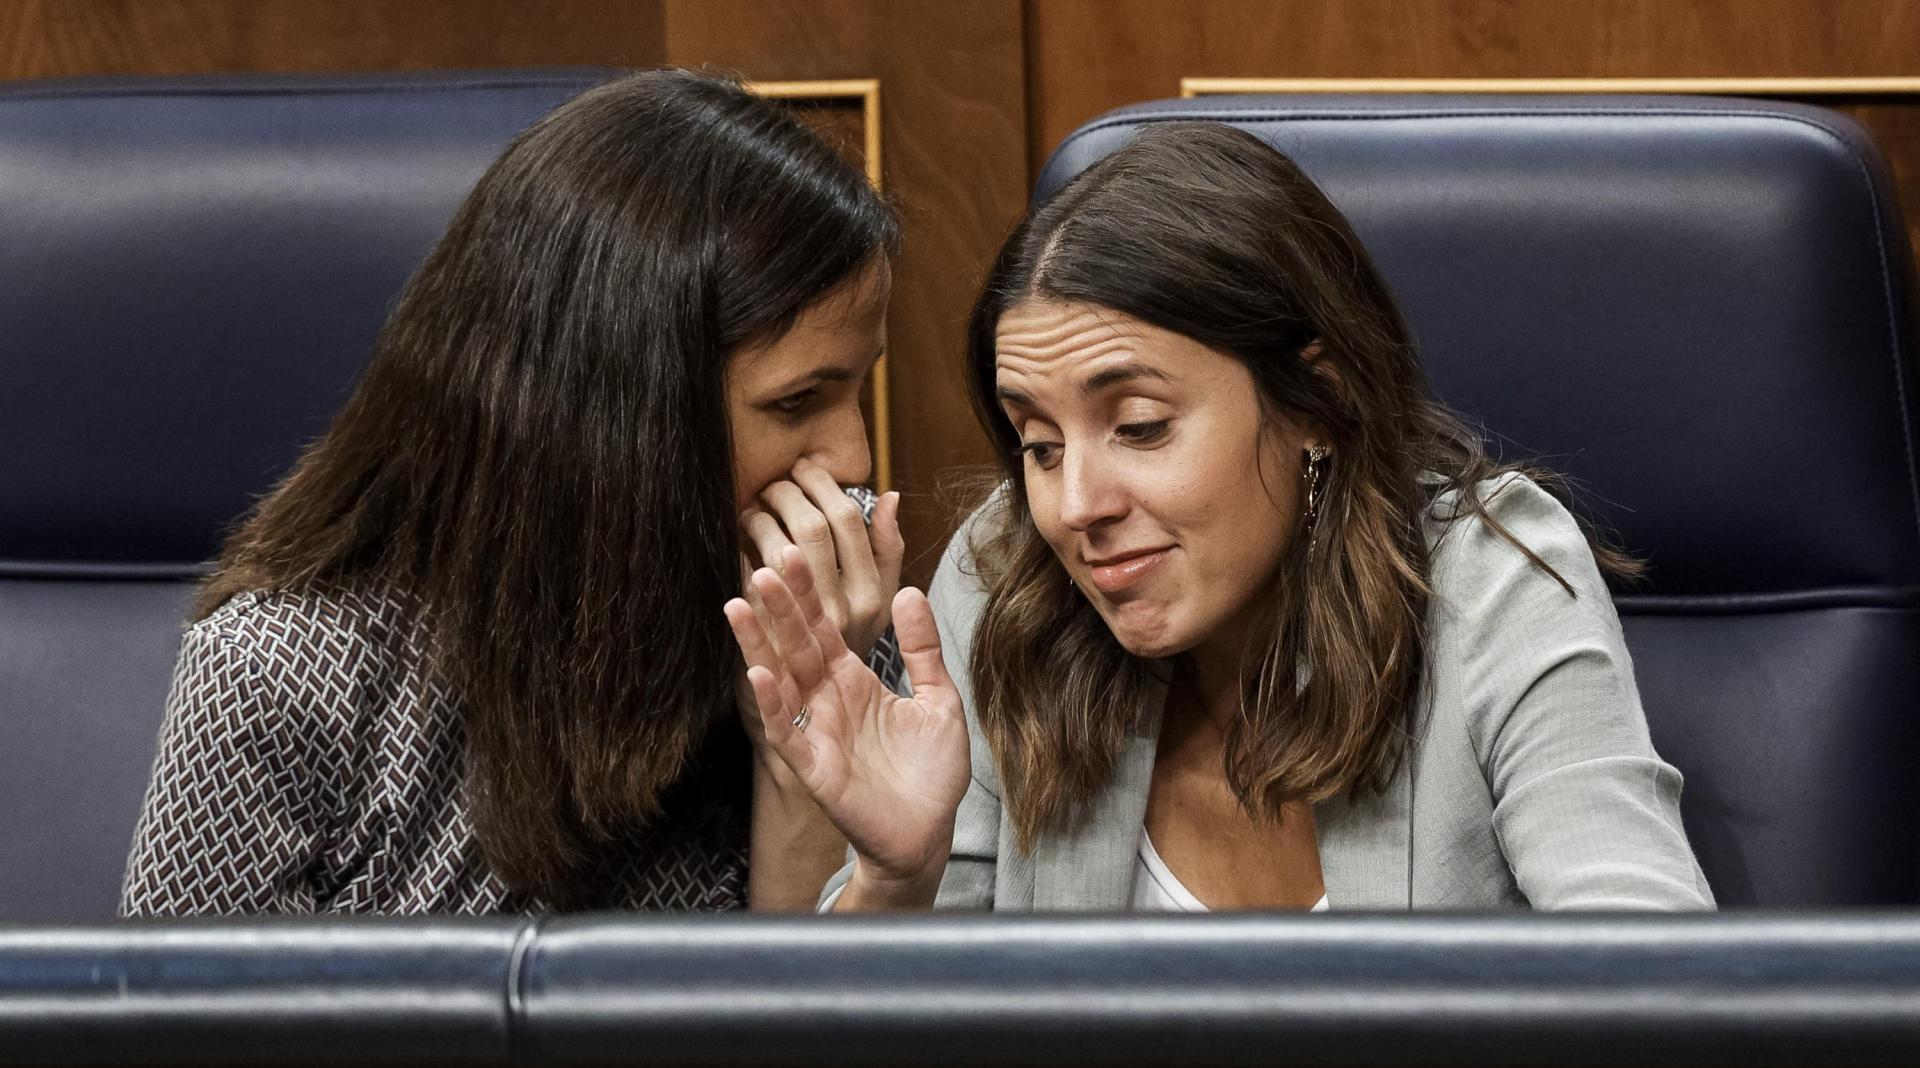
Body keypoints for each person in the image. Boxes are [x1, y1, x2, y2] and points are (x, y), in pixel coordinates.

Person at [729, 122, 1715, 912]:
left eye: (1143, 427)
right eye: (1040, 445)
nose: (1075, 508)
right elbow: (882, 1044)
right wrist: (894, 881)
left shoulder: (1489, 581)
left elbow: (1656, 993)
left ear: (1315, 406)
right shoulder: (1005, 583)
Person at [121, 69, 905, 916]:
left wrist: (799, 756)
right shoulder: (279, 678)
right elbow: (183, 1046)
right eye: (797, 401)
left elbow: (797, 1038)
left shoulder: (839, 628)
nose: (855, 460)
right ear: (616, 412)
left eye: (858, 390)